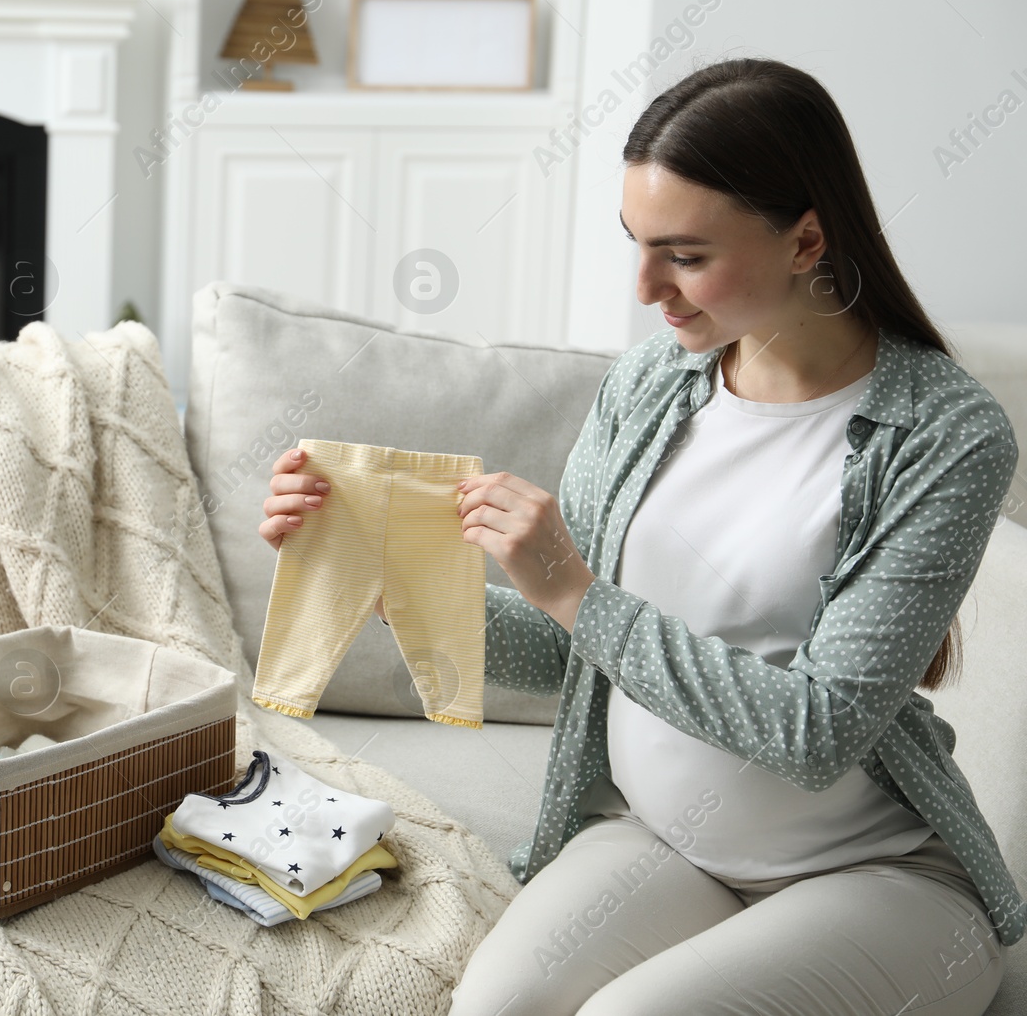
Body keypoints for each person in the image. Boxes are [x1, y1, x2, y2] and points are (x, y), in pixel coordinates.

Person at [257, 57, 1020, 1015]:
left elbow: (818, 733)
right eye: (637, 243)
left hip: (879, 877)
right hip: (667, 839)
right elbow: (572, 648)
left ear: (807, 239)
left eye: (686, 255)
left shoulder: (948, 434)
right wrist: (366, 574)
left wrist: (574, 587)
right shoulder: (653, 383)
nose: (646, 286)